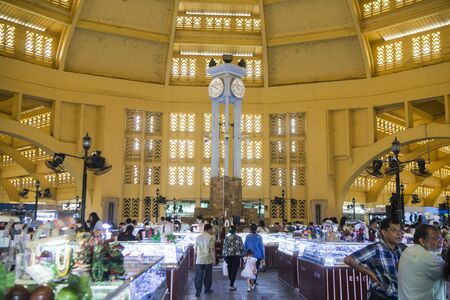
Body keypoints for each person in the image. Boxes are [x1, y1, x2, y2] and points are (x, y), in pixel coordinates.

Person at [343, 218, 406, 300]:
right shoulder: (375, 249)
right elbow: (348, 259)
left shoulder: (402, 248)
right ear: (384, 232)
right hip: (382, 295)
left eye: (400, 230)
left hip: (400, 296)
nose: (399, 233)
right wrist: (369, 272)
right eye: (394, 230)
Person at [398, 224, 446, 300]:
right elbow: (448, 274)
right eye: (436, 238)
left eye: (441, 238)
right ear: (422, 241)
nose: (441, 242)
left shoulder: (408, 250)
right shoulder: (429, 259)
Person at [194, 223, 215, 297]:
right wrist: (214, 259)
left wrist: (195, 257)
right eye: (211, 229)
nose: (211, 231)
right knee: (208, 276)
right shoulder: (211, 237)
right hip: (208, 260)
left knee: (198, 276)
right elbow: (212, 249)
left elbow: (195, 249)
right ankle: (207, 289)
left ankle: (198, 291)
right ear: (209, 229)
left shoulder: (198, 237)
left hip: (199, 260)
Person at [222, 225, 245, 291]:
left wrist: (223, 255)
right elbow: (241, 247)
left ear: (229, 231)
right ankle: (231, 284)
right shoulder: (239, 238)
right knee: (234, 270)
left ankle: (231, 282)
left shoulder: (226, 238)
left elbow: (224, 247)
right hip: (236, 256)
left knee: (229, 268)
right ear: (235, 231)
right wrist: (243, 254)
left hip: (228, 255)